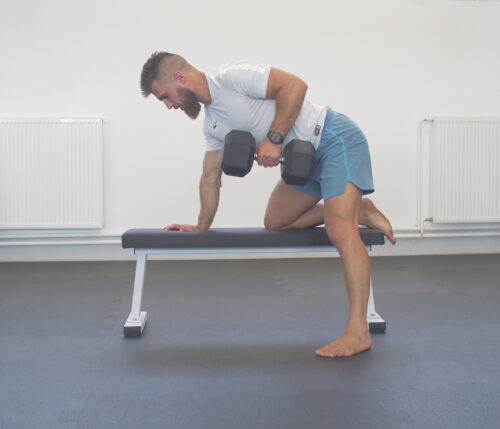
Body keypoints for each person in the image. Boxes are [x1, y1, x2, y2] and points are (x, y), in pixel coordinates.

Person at [140, 52, 396, 358]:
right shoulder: (212, 125)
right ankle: (361, 210)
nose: (169, 105)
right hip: (305, 163)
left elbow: (296, 86)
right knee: (277, 221)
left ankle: (358, 331)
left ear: (179, 78)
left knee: (340, 231)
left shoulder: (232, 77)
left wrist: (274, 138)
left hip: (332, 138)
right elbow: (210, 177)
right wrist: (200, 226)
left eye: (165, 97)